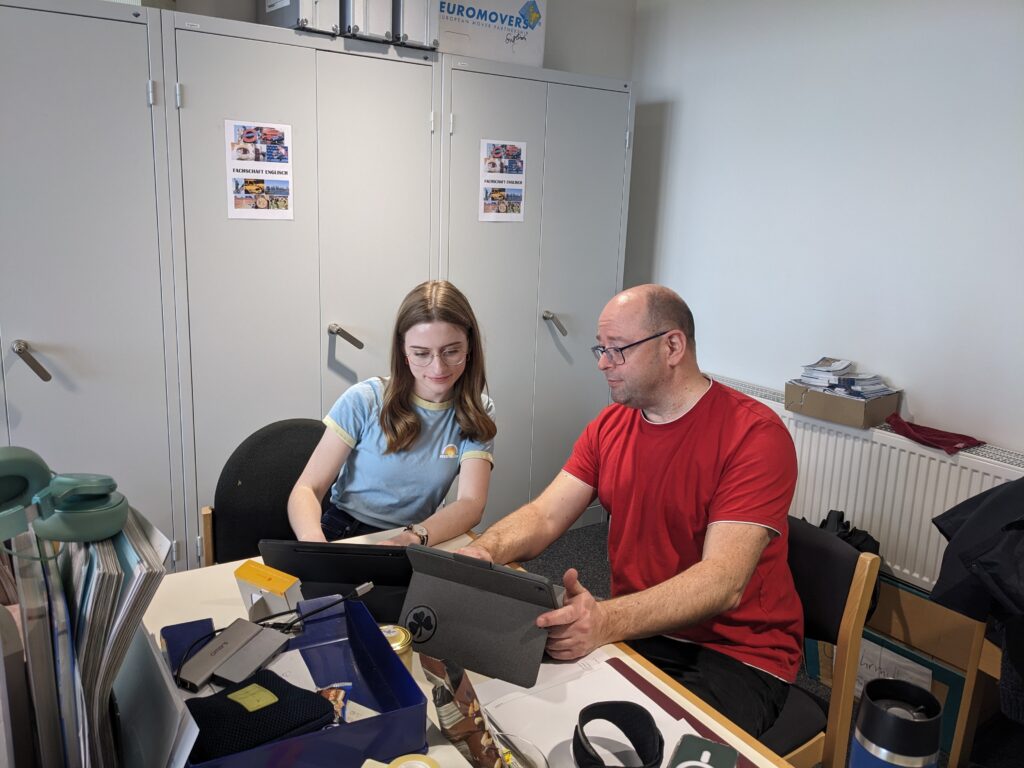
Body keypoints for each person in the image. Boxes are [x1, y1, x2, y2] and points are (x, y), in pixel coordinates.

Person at [461, 284, 801, 737]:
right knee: (511, 701)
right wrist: (485, 551)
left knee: (646, 748)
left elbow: (723, 582)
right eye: (600, 349)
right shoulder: (610, 425)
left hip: (736, 653)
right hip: (638, 627)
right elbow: (545, 515)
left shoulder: (754, 435)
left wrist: (605, 619)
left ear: (672, 346)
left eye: (617, 350)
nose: (603, 363)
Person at [288, 280, 496, 547]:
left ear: (469, 347)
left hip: (418, 534)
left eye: (451, 351)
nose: (437, 367)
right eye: (421, 353)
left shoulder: (478, 410)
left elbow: (471, 504)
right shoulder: (365, 399)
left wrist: (408, 539)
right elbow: (307, 489)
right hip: (347, 529)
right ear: (404, 352)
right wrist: (314, 543)